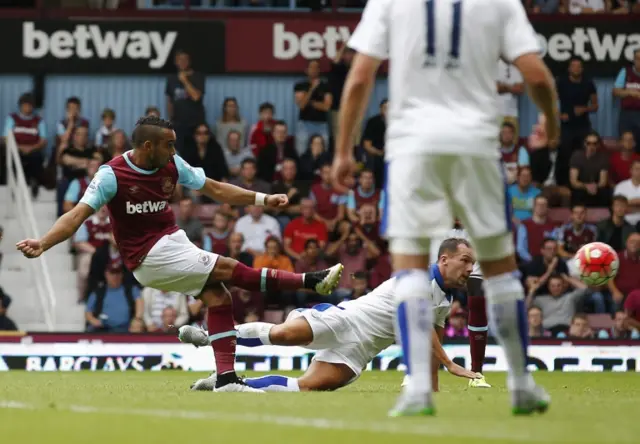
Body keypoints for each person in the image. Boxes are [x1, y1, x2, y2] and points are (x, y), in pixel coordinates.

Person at [332, 0, 558, 416]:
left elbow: (361, 76)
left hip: (410, 147)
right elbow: (537, 76)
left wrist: (344, 150)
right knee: (501, 273)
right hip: (477, 144)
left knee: (411, 274)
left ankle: (418, 390)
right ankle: (523, 385)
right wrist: (552, 125)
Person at [16, 116, 344, 393]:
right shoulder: (111, 175)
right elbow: (76, 216)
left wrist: (261, 199)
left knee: (218, 297)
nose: (173, 150)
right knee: (229, 268)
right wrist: (44, 243)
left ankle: (226, 379)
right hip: (148, 256)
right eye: (168, 144)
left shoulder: (172, 163)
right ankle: (311, 281)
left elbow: (214, 188)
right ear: (148, 147)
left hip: (174, 242)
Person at [180, 238, 480, 393]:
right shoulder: (418, 279)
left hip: (360, 350)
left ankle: (230, 384)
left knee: (306, 387)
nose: (469, 268)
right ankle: (210, 338)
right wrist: (451, 364)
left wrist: (434, 386)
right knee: (283, 335)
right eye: (465, 260)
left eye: (472, 263)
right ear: (444, 259)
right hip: (345, 320)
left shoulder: (446, 296)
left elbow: (433, 337)